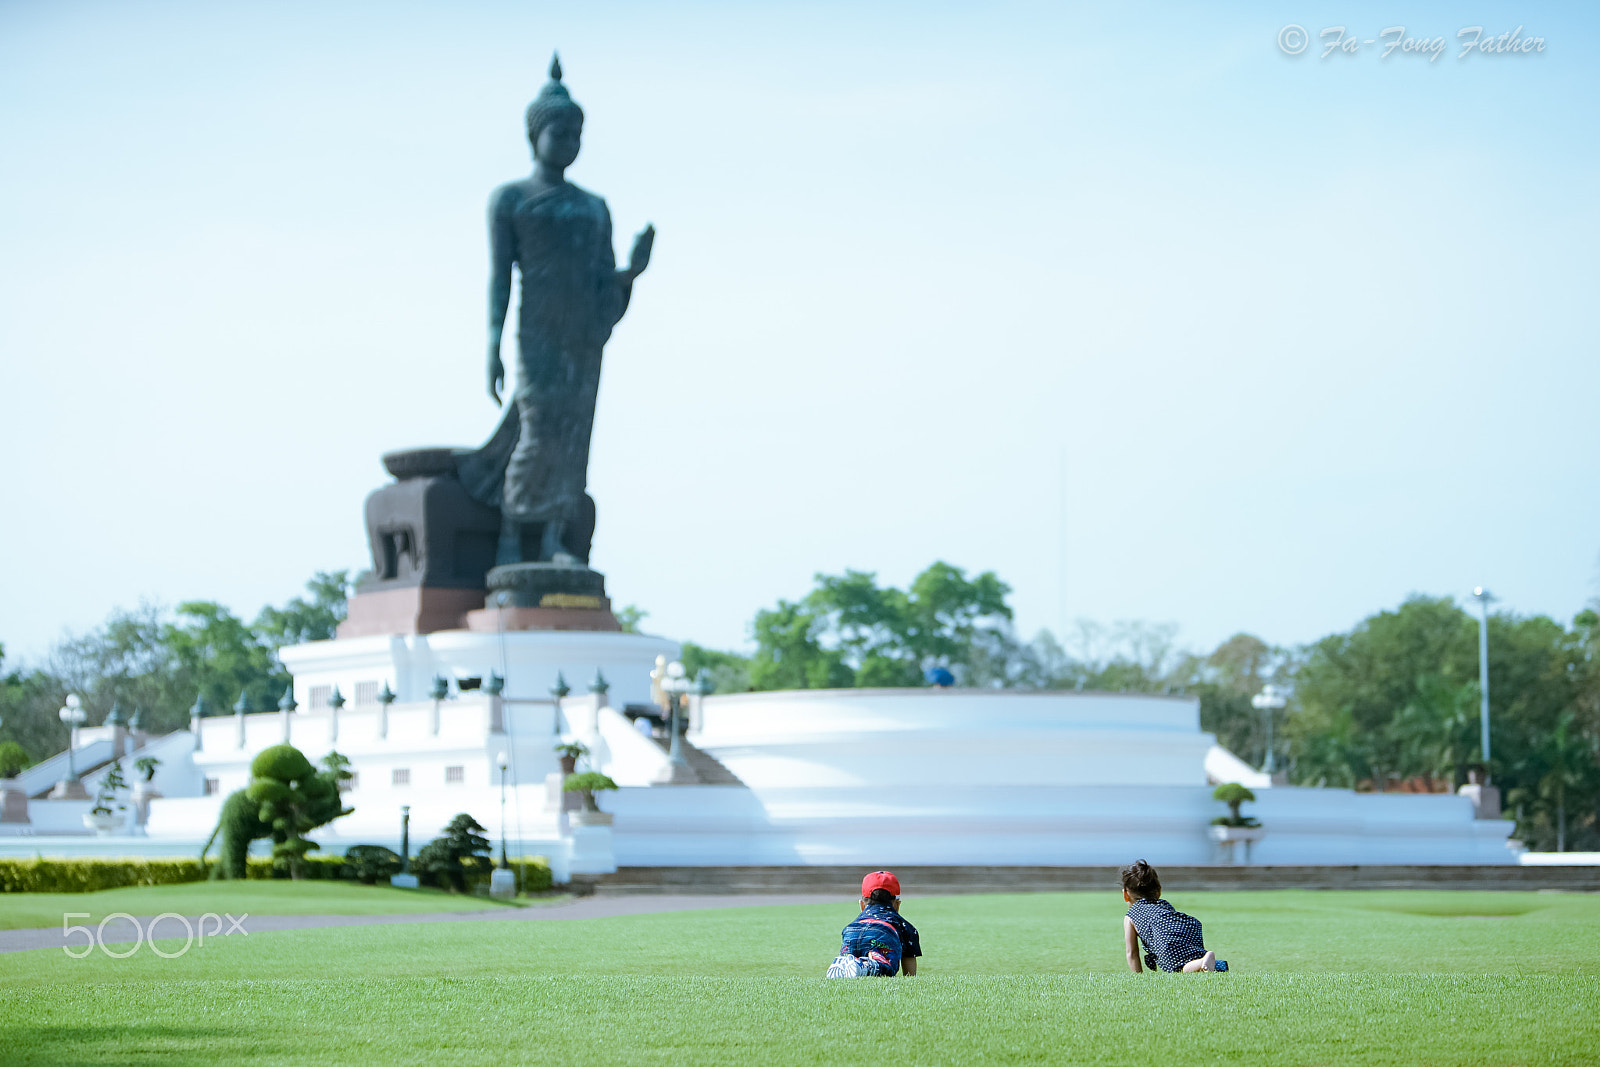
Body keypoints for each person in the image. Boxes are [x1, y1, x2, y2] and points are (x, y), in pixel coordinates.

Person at [1120, 859, 1223, 973]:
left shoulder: (1131, 915)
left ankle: (1202, 962)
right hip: (1188, 926)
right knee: (1190, 959)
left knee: (1178, 969)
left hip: (1166, 939)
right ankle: (1207, 963)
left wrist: (1138, 977)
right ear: (1158, 892)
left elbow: (1132, 953)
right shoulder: (1164, 905)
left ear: (1125, 895)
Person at [825, 871, 921, 978]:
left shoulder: (856, 921)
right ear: (897, 904)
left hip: (851, 931)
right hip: (883, 932)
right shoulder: (903, 926)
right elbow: (909, 973)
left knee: (849, 965)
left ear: (862, 904)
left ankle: (844, 963)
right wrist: (910, 977)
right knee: (885, 968)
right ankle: (868, 966)